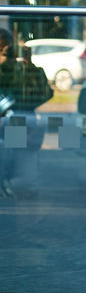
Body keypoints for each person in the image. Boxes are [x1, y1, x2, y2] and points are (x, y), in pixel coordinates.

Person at [0, 28, 53, 197]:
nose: (7, 57)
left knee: (23, 174)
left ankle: (11, 182)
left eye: (9, 51)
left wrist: (28, 65)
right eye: (4, 51)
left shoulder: (23, 71)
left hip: (19, 124)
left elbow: (44, 93)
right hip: (14, 125)